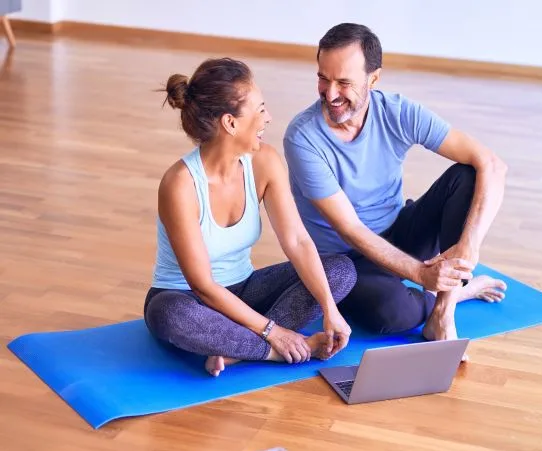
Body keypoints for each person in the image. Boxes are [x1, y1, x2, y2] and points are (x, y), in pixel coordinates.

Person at [283, 23, 508, 348]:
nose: (330, 94)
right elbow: (351, 230)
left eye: (344, 82)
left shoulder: (398, 112)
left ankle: (443, 311)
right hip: (347, 259)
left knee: (469, 174)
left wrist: (469, 246)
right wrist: (421, 274)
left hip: (400, 231)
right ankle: (459, 292)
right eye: (323, 78)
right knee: (391, 315)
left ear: (373, 79)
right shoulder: (302, 138)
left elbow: (492, 164)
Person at [144, 57, 357, 377]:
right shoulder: (180, 184)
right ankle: (271, 351)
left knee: (340, 270)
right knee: (172, 315)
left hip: (245, 290)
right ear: (230, 123)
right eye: (259, 110)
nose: (268, 117)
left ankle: (234, 352)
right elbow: (202, 286)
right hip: (189, 299)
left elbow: (298, 241)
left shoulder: (265, 162)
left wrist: (329, 309)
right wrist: (274, 333)